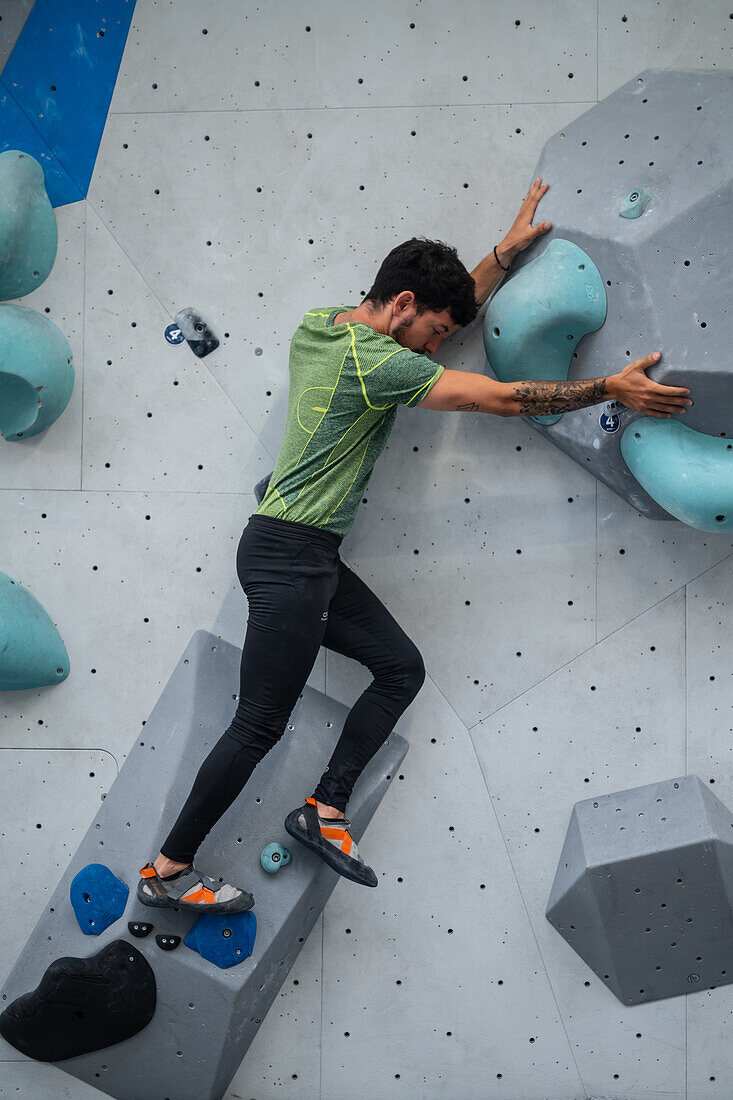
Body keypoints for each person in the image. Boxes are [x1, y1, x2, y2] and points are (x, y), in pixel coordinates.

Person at [137, 178, 692, 913]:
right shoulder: (378, 365)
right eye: (434, 332)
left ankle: (323, 812)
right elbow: (493, 399)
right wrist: (606, 390)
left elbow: (436, 308)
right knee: (258, 724)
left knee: (399, 668)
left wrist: (498, 255)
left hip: (302, 556)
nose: (439, 344)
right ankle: (168, 872)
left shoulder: (325, 323)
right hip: (289, 562)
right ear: (401, 307)